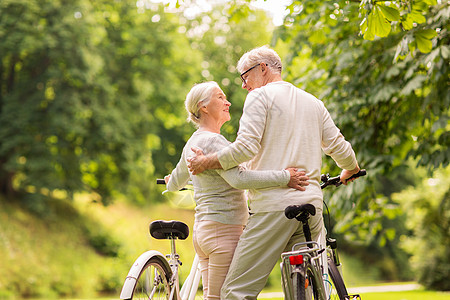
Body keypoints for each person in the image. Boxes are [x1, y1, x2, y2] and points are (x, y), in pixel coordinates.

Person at [186, 46, 360, 300]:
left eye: (245, 77)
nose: (244, 86)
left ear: (263, 68)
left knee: (236, 291)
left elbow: (245, 148)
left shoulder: (260, 97)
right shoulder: (313, 102)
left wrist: (207, 162)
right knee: (306, 282)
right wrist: (350, 169)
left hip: (273, 208)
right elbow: (339, 147)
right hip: (312, 206)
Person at [164, 81, 308, 300]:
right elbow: (239, 180)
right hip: (224, 231)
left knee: (214, 297)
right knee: (225, 297)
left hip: (204, 232)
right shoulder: (213, 141)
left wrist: (168, 181)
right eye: (220, 97)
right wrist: (285, 177)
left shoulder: (193, 142)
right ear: (203, 107)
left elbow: (175, 182)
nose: (228, 102)